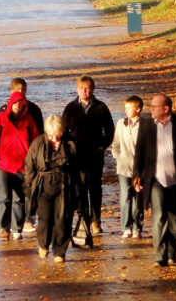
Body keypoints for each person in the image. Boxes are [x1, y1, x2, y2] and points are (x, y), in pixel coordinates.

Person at [133, 93, 176, 267]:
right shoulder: (146, 125)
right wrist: (136, 176)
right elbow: (139, 151)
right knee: (159, 216)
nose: (151, 110)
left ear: (166, 109)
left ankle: (171, 254)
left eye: (154, 107)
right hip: (155, 179)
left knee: (174, 219)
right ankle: (159, 255)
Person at [24, 115, 82, 264]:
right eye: (51, 135)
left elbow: (78, 167)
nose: (55, 138)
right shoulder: (38, 143)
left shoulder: (70, 143)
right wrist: (29, 187)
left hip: (65, 184)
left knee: (63, 220)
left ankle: (59, 252)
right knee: (45, 219)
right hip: (44, 184)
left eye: (58, 135)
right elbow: (29, 166)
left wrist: (79, 188)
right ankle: (43, 245)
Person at [62, 75, 114, 240]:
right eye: (82, 88)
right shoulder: (70, 108)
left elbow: (109, 129)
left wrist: (103, 145)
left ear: (93, 89)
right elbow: (63, 131)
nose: (85, 91)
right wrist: (68, 149)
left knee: (95, 187)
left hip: (95, 154)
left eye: (88, 88)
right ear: (77, 89)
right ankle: (84, 219)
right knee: (80, 188)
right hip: (77, 156)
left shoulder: (101, 107)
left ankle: (96, 220)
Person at [0, 90, 39, 241]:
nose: (17, 106)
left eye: (20, 103)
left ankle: (17, 229)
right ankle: (3, 228)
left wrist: (32, 159)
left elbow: (36, 140)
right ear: (11, 104)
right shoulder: (1, 118)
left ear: (24, 104)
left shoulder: (28, 120)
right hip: (3, 165)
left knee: (19, 198)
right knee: (5, 197)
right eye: (15, 103)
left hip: (22, 166)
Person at [112, 95, 145, 239]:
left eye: (129, 108)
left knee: (138, 197)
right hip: (123, 167)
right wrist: (118, 156)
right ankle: (126, 227)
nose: (126, 110)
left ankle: (137, 227)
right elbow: (116, 143)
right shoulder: (121, 123)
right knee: (125, 196)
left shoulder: (145, 125)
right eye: (125, 108)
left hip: (139, 168)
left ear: (138, 109)